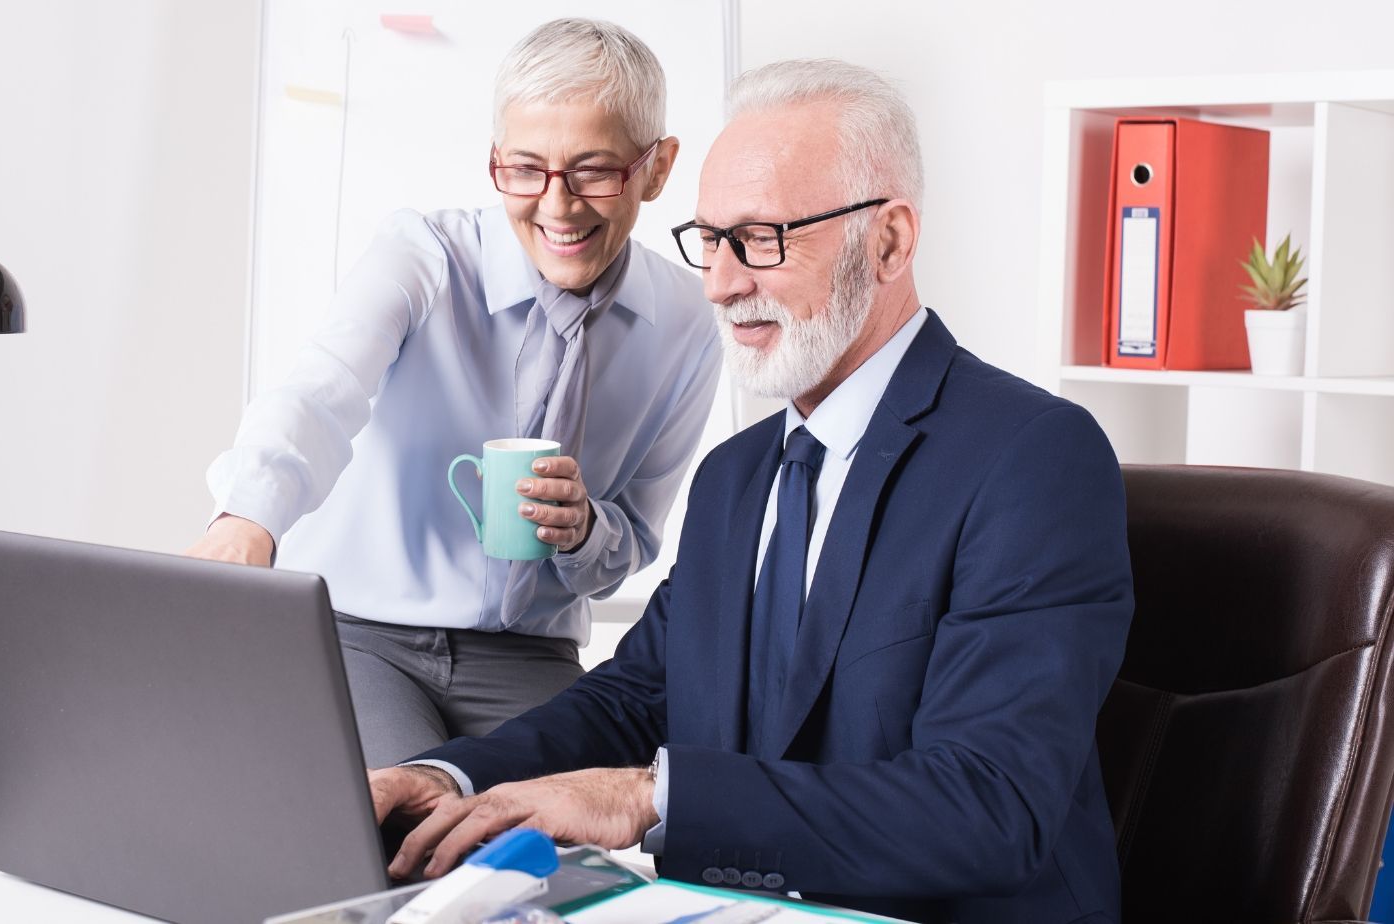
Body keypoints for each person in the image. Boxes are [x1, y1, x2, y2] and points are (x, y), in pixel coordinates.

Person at [369, 58, 1133, 923]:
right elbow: (638, 697)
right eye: (711, 240)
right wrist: (442, 777)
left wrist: (652, 798)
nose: (725, 284)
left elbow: (989, 806)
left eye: (763, 239)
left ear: (889, 241)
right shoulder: (736, 476)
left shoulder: (1032, 457)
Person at [190, 19, 722, 770]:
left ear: (657, 168)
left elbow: (631, 540)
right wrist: (247, 520)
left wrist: (581, 532)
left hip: (528, 658)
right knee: (400, 828)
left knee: (557, 840)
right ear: (495, 161)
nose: (557, 205)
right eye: (527, 169)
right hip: (358, 633)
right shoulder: (425, 254)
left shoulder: (686, 324)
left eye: (595, 171)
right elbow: (321, 391)